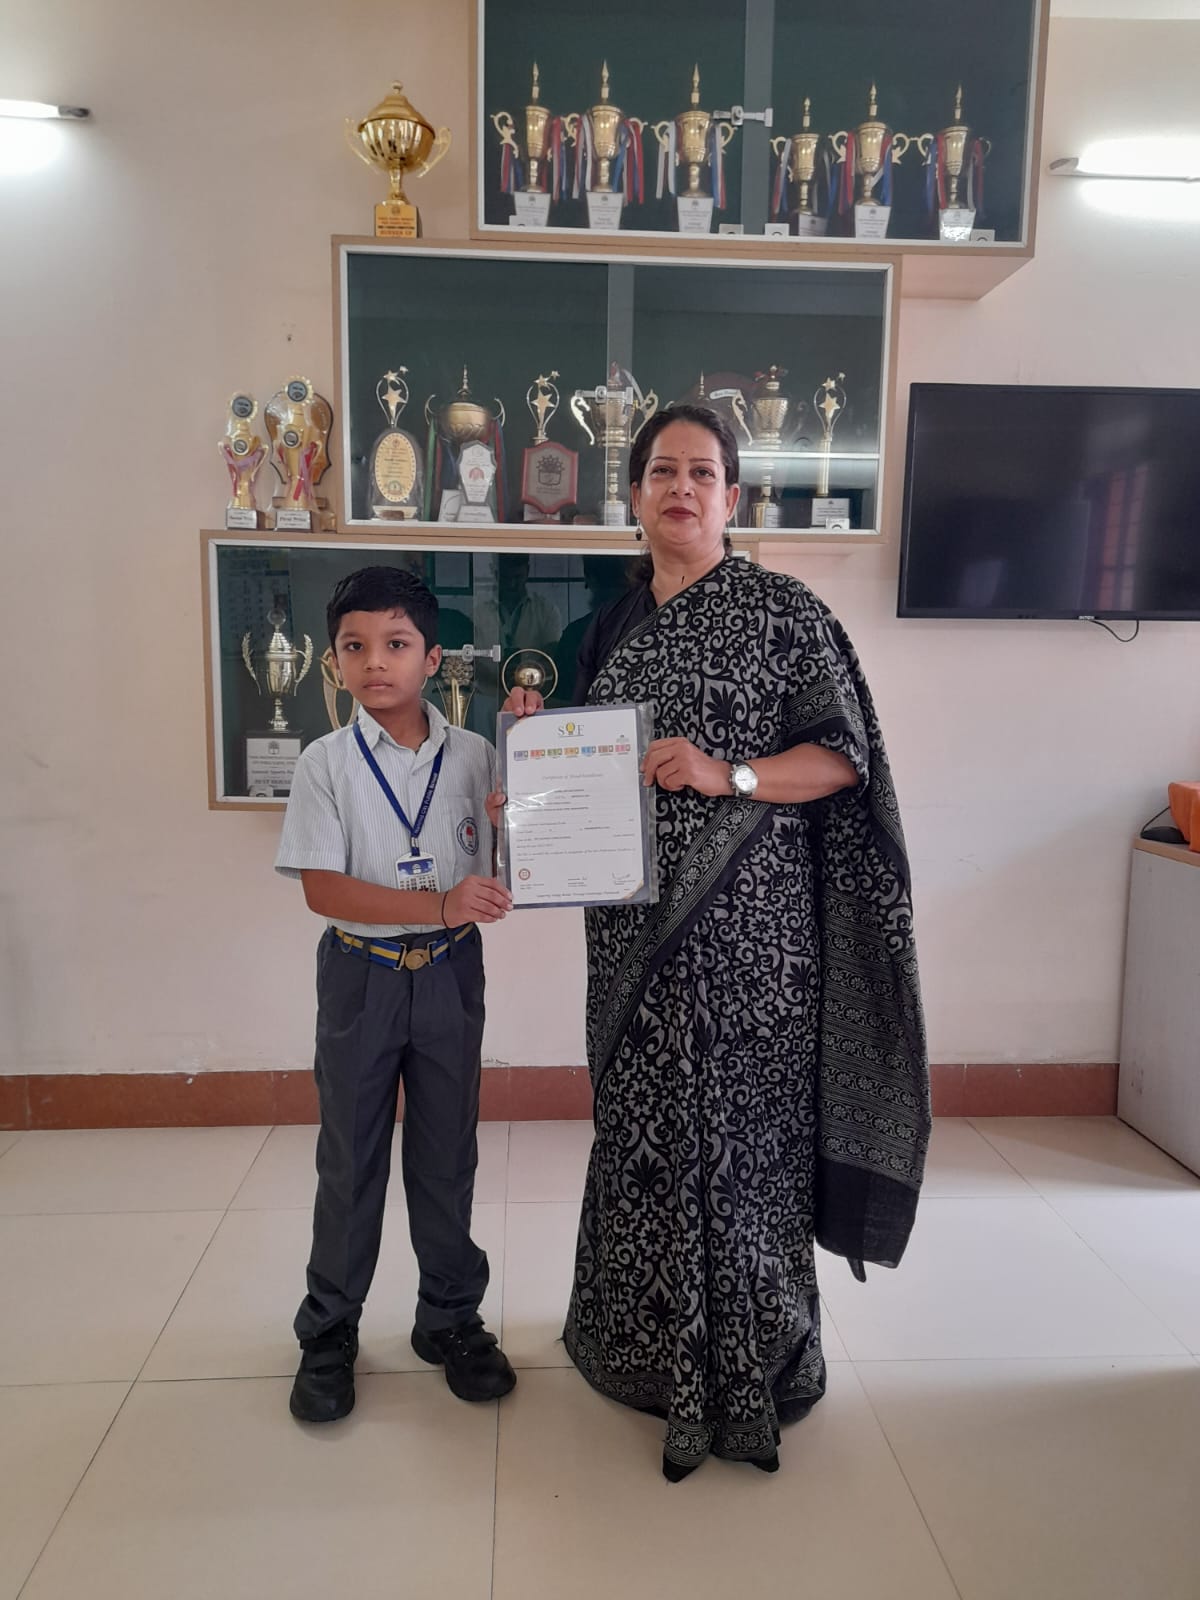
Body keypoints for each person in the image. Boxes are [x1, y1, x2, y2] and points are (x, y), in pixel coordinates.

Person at [505, 403, 929, 1480]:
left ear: (732, 497)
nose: (681, 488)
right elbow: (582, 769)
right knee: (641, 1134)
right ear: (635, 495)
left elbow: (842, 760)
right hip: (633, 939)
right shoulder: (605, 628)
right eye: (662, 471)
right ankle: (637, 1350)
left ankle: (755, 1364)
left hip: (756, 947)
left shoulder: (787, 614)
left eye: (702, 472)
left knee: (746, 1149)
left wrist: (726, 772)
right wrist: (529, 782)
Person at [275, 565, 516, 1424]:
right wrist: (437, 903)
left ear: (433, 659)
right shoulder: (325, 763)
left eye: (396, 644)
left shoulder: (477, 756)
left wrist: (526, 796)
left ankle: (448, 1318)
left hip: (450, 973)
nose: (375, 661)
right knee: (351, 1158)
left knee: (448, 1154)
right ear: (335, 660)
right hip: (360, 976)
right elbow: (323, 890)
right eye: (354, 646)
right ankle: (329, 1329)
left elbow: (509, 867)